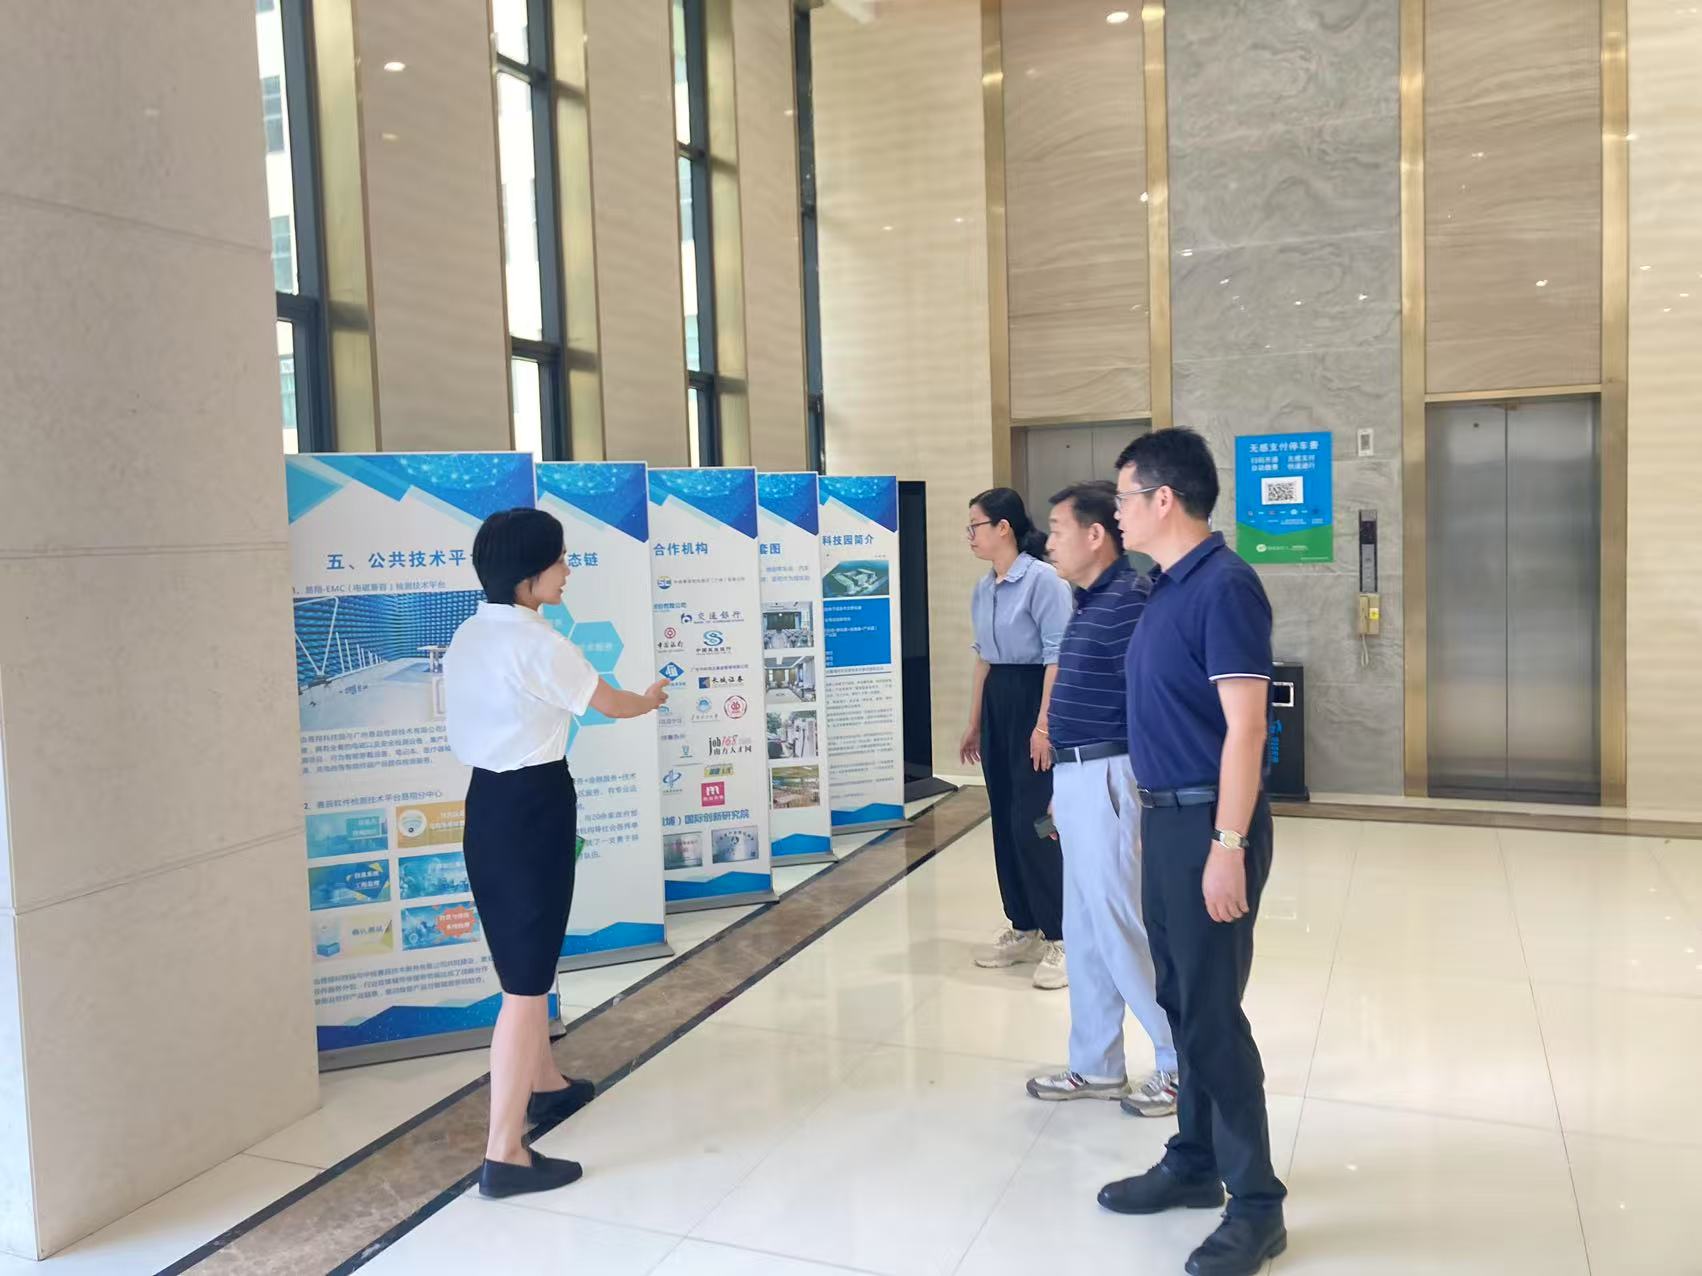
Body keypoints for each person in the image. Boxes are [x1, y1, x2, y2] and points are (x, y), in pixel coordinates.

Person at [1097, 430, 1287, 1276]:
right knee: (1179, 998)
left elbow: (1246, 729)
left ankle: (1257, 1205)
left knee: (1211, 1013)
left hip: (1213, 823)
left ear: (1163, 498)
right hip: (1169, 822)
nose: (1117, 512)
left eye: (1124, 496)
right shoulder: (1165, 587)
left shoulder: (1225, 586)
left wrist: (1227, 845)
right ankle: (1195, 1161)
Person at [443, 508, 668, 1199]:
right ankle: (505, 1153)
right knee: (525, 985)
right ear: (527, 575)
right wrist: (650, 699)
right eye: (559, 561)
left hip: (486, 805)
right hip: (532, 808)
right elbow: (611, 705)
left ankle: (544, 1084)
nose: (567, 571)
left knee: (526, 962)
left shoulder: (469, 633)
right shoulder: (540, 643)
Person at [1023, 481, 1179, 1115]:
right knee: (1085, 931)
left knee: (1121, 929)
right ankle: (1096, 1063)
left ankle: (1178, 1062)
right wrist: (1062, 788)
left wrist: (1138, 792)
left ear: (1095, 536)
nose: (1049, 542)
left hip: (1113, 777)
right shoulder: (1089, 602)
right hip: (1079, 777)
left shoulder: (1131, 601)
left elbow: (1151, 703)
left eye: (1058, 530)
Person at [959, 487, 1073, 990]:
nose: (970, 536)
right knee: (1005, 817)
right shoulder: (983, 588)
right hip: (998, 703)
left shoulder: (1043, 580)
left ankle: (1062, 934)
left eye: (975, 526)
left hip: (1034, 698)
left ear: (1003, 527)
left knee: (1037, 821)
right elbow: (984, 659)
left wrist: (1044, 725)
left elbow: (1057, 658)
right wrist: (974, 722)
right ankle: (1023, 923)